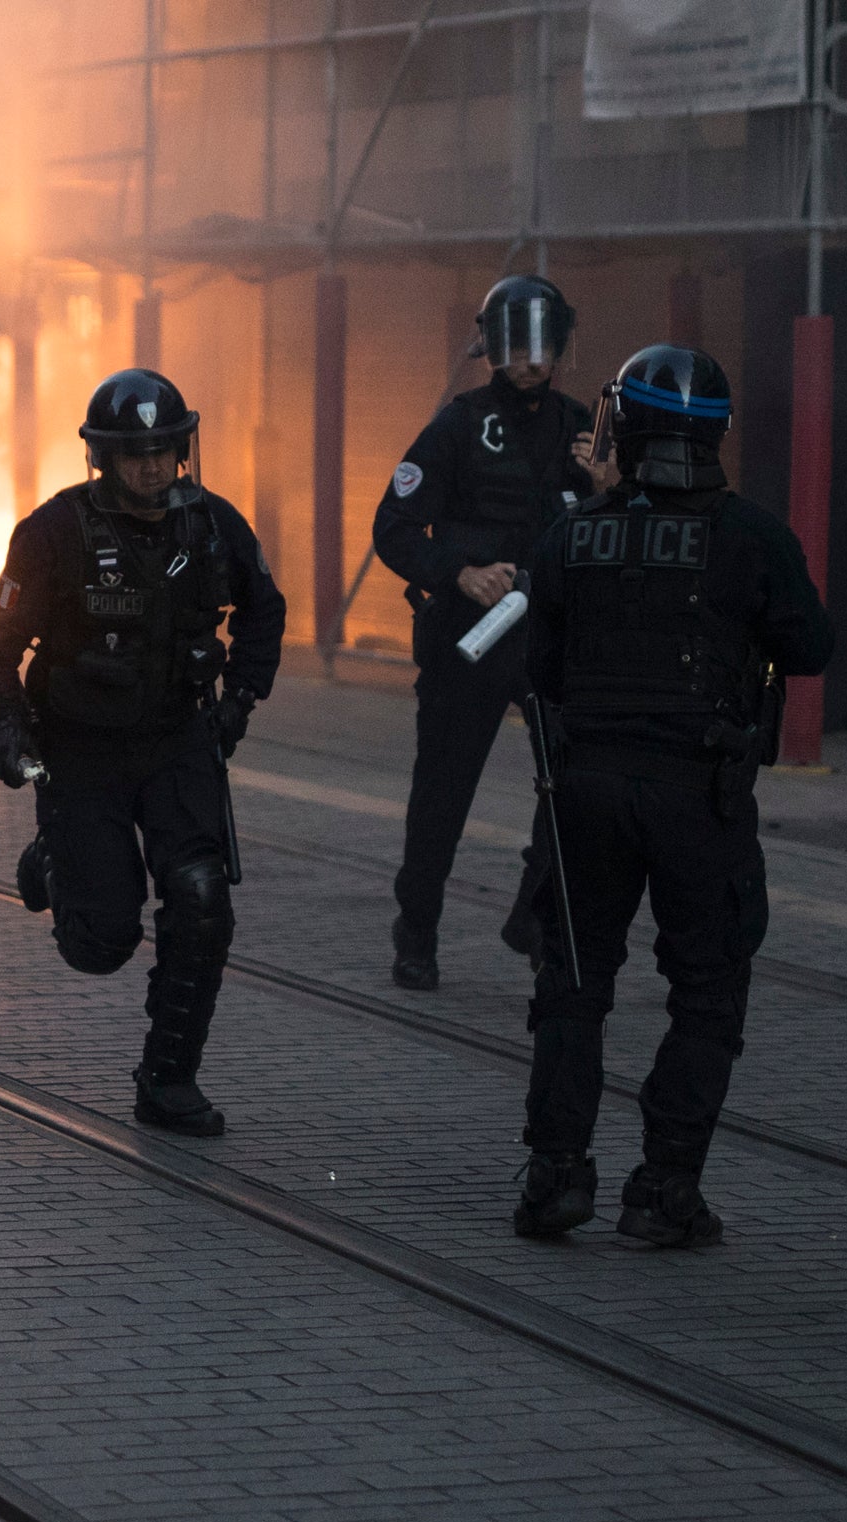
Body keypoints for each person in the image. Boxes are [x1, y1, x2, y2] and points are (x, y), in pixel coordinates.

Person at [508, 345, 830, 1246]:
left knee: (573, 984)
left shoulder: (572, 536)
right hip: (701, 795)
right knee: (708, 992)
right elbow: (811, 648)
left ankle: (555, 1177)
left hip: (586, 795)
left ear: (628, 427)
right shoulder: (753, 537)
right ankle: (664, 1191)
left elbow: (539, 668)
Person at [0, 368, 285, 1136]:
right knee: (100, 943)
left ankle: (169, 1080)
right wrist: (6, 730)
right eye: (133, 453)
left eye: (162, 450)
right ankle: (55, 861)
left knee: (203, 902)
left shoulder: (211, 525)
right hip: (81, 751)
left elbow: (264, 613)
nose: (149, 466)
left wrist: (239, 701)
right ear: (103, 458)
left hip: (177, 741)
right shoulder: (51, 533)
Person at [370, 275, 601, 991]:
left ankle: (534, 916)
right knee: (442, 792)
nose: (531, 360)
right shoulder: (457, 426)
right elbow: (394, 528)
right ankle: (417, 931)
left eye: (543, 344)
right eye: (517, 344)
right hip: (468, 637)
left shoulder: (582, 429)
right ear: (492, 347)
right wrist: (459, 573)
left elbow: (614, 532)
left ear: (561, 345)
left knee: (575, 785)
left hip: (552, 638)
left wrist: (607, 489)